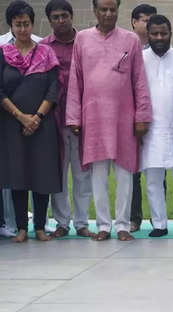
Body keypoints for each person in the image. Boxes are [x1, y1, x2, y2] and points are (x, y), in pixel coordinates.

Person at [66, 0, 152, 242]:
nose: (107, 14)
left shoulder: (130, 40)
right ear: (95, 11)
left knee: (125, 173)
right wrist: (74, 117)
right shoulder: (82, 39)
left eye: (112, 9)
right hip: (93, 117)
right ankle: (104, 225)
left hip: (124, 117)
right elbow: (76, 79)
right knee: (98, 173)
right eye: (103, 9)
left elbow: (139, 81)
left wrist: (142, 116)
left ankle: (123, 224)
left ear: (117, 10)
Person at [0, 0, 61, 243]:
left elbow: (54, 89)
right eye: (18, 25)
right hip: (12, 124)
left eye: (26, 24)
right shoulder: (3, 55)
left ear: (32, 24)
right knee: (18, 175)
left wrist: (36, 117)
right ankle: (21, 228)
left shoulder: (46, 52)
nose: (23, 29)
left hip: (42, 125)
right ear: (11, 27)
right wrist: (21, 116)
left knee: (41, 174)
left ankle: (40, 227)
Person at [41, 0, 94, 238]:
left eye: (64, 16)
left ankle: (81, 222)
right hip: (52, 119)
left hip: (82, 120)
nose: (60, 20)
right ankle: (62, 222)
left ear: (72, 17)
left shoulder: (85, 42)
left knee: (83, 174)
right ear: (50, 20)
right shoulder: (43, 47)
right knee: (58, 173)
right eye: (55, 17)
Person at [141, 14, 173, 237]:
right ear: (148, 35)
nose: (159, 37)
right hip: (150, 129)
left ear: (171, 33)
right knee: (153, 179)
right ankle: (159, 224)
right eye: (155, 34)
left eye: (164, 33)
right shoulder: (140, 59)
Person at [129, 3, 157, 233]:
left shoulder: (161, 48)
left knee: (158, 169)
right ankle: (134, 217)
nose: (148, 25)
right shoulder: (127, 48)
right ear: (134, 22)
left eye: (152, 20)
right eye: (144, 20)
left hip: (156, 119)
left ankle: (160, 220)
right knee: (132, 171)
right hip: (130, 118)